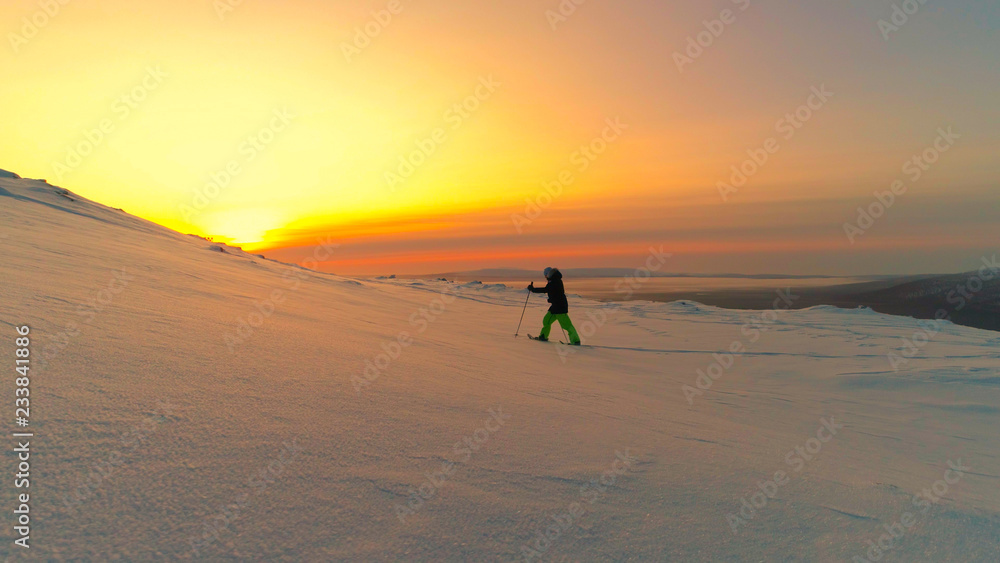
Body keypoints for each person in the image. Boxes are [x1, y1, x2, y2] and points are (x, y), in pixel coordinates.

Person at [527, 267, 581, 345]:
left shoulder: (555, 281)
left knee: (567, 325)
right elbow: (553, 292)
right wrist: (551, 299)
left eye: (545, 275)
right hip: (555, 306)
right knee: (546, 320)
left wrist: (533, 289)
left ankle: (576, 341)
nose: (545, 277)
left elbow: (546, 290)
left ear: (548, 274)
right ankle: (543, 336)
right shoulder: (554, 280)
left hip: (560, 307)